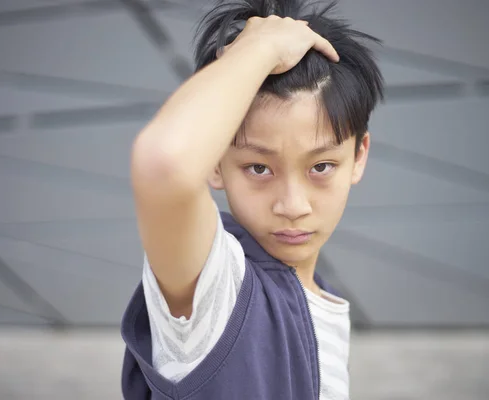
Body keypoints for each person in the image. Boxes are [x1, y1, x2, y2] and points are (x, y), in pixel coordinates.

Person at [121, 0, 383, 398]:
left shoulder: (324, 301)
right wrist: (260, 48)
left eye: (322, 166)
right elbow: (164, 163)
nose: (293, 205)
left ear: (358, 156)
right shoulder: (215, 285)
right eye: (259, 169)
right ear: (214, 162)